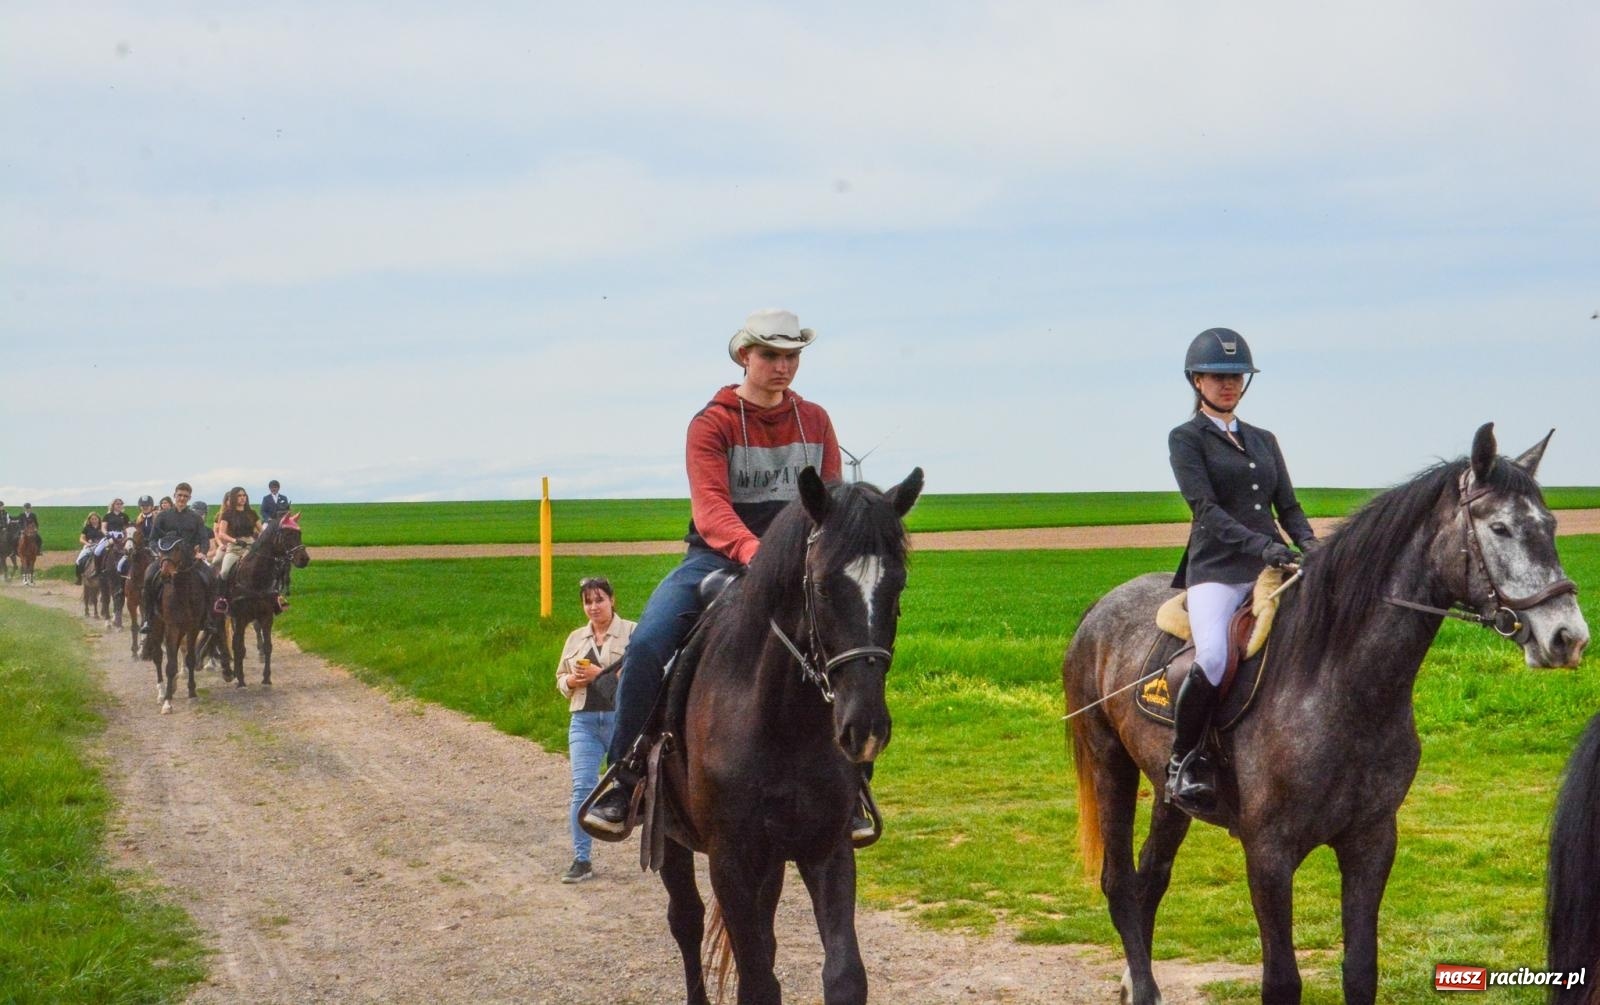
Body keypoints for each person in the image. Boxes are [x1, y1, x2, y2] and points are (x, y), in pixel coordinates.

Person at [584, 308, 842, 835]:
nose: (783, 366)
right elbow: (712, 509)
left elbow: (829, 501)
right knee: (651, 642)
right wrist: (756, 554)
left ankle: (851, 783)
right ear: (745, 355)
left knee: (853, 647)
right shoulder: (712, 423)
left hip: (797, 562)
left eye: (792, 355)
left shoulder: (816, 420)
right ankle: (625, 776)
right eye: (771, 354)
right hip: (716, 556)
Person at [1164, 327, 1316, 815]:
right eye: (1217, 376)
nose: (1228, 384)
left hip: (1270, 565)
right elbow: (1205, 510)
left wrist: (1310, 545)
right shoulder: (1186, 439)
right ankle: (1185, 760)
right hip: (1217, 569)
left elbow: (1287, 506)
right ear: (1197, 380)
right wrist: (1262, 545)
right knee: (1212, 657)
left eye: (1236, 376)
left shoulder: (1264, 439)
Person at [556, 576, 636, 883]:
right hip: (584, 721)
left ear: (613, 600)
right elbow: (560, 678)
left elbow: (638, 679)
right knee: (582, 787)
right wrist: (572, 682)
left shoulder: (632, 632)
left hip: (621, 720)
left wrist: (598, 674)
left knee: (638, 785)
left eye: (599, 599)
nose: (594, 607)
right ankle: (582, 859)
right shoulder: (576, 638)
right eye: (588, 601)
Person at [138, 483, 220, 635]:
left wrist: (202, 552)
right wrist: (157, 552)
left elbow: (203, 539)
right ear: (174, 495)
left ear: (189, 498)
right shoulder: (163, 516)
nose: (182, 498)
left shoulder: (195, 518)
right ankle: (148, 618)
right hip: (167, 557)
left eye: (185, 496)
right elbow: (153, 539)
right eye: (179, 495)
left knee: (210, 577)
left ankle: (208, 618)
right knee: (149, 576)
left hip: (189, 559)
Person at [213, 487, 262, 582]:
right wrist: (235, 541)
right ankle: (221, 595)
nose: (242, 498)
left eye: (244, 495)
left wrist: (260, 541)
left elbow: (262, 531)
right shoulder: (227, 514)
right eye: (239, 496)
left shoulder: (252, 513)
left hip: (250, 547)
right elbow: (221, 534)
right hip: (234, 548)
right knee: (224, 572)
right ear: (233, 498)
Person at [74, 512, 105, 584]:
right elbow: (81, 539)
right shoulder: (87, 528)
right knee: (79, 560)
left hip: (101, 545)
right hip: (90, 546)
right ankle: (79, 577)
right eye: (92, 519)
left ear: (99, 519)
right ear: (89, 520)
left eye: (95, 519)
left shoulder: (102, 528)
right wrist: (87, 543)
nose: (94, 520)